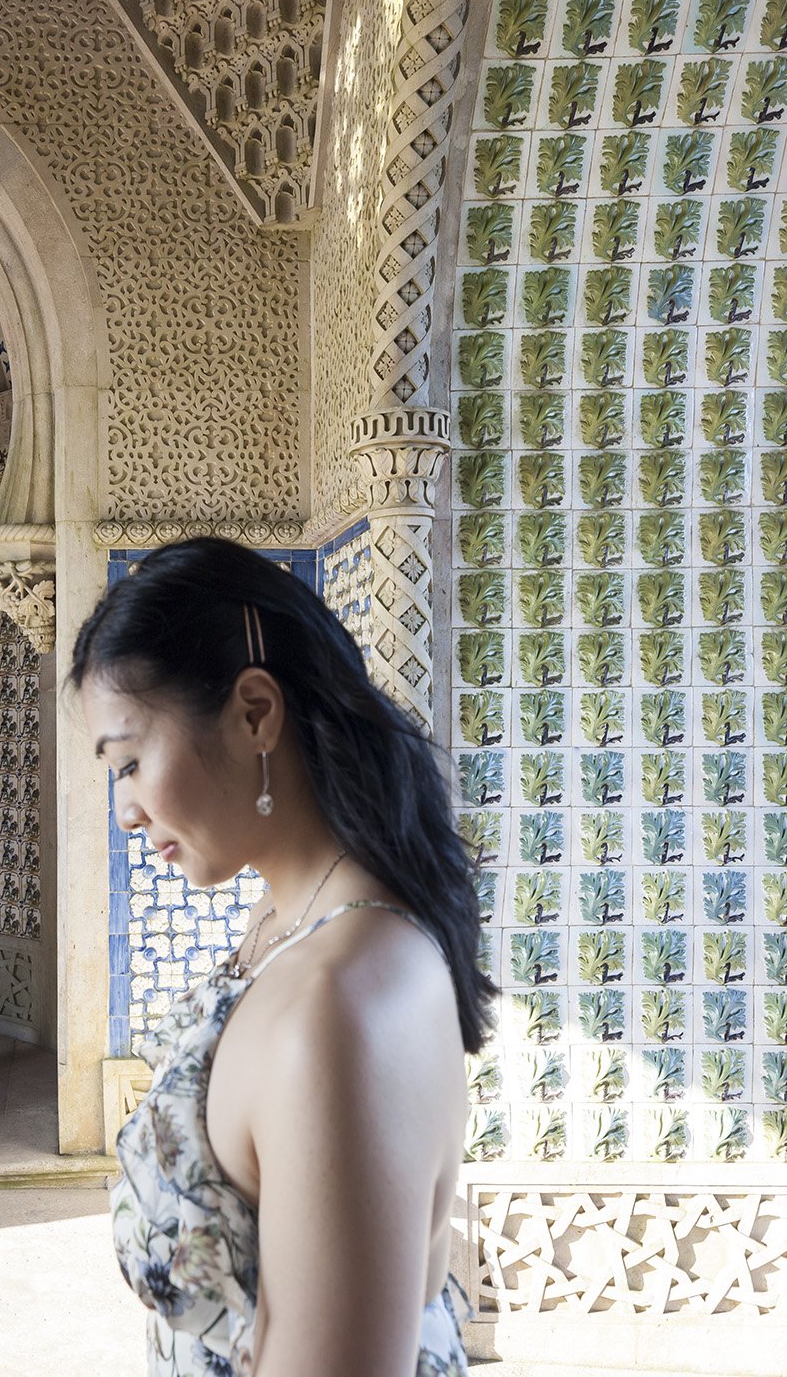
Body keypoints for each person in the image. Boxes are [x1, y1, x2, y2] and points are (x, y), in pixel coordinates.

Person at [72, 537, 496, 1376]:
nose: (124, 810)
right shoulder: (298, 922)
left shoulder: (339, 1005)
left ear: (256, 712)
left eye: (128, 763)